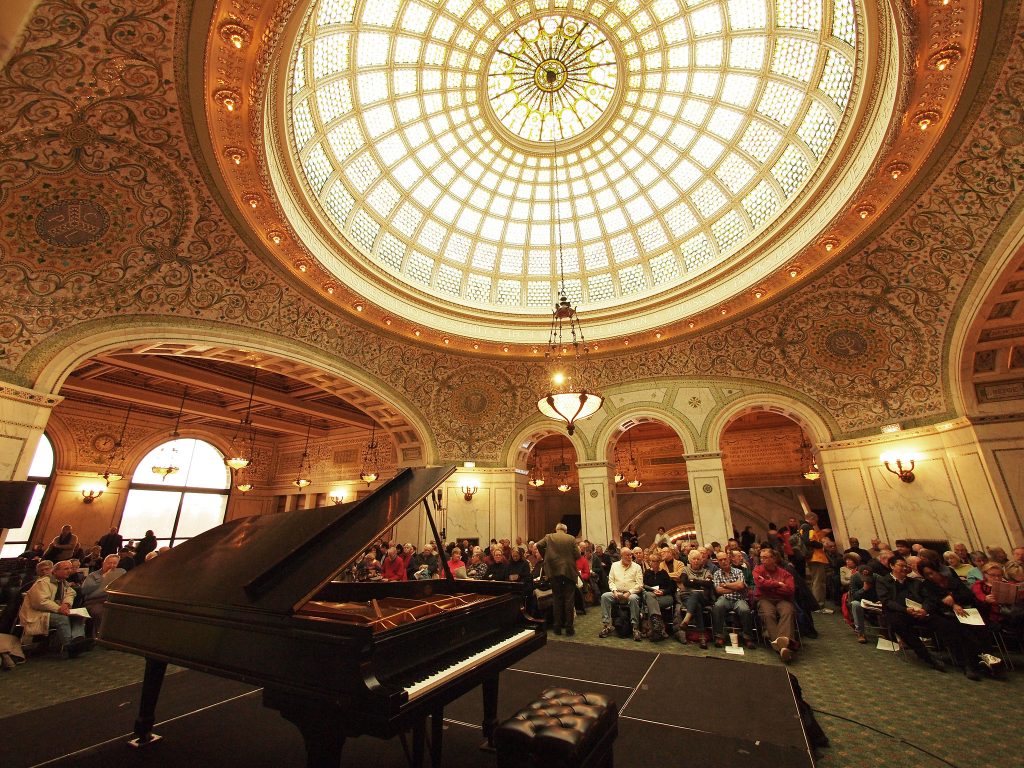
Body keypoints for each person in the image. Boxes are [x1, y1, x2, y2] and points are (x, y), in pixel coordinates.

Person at [917, 561, 998, 679]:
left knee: (979, 626)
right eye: (927, 575)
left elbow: (968, 595)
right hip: (942, 614)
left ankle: (984, 660)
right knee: (957, 628)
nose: (930, 576)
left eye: (932, 573)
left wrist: (953, 598)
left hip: (964, 611)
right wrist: (953, 605)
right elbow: (933, 602)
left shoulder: (952, 581)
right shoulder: (926, 585)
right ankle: (969, 664)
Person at [875, 556, 947, 673]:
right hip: (898, 614)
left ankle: (959, 658)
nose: (904, 568)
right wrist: (905, 610)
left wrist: (924, 609)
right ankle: (926, 656)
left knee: (943, 622)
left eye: (905, 566)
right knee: (900, 625)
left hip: (919, 612)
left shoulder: (915, 582)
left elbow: (927, 598)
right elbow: (887, 601)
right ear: (892, 566)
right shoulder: (883, 581)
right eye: (901, 566)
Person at [18, 560, 91, 657]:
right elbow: (41, 602)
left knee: (79, 616)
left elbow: (71, 593)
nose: (69, 571)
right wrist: (59, 609)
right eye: (66, 569)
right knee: (62, 619)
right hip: (36, 613)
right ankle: (69, 646)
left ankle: (78, 640)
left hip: (53, 611)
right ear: (55, 571)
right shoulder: (43, 582)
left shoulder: (62, 582)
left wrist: (66, 604)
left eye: (69, 568)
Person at [536, 523, 581, 637]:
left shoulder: (549, 537)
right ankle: (569, 628)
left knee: (557, 599)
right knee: (569, 600)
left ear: (556, 529)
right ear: (565, 530)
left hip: (554, 571)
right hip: (569, 572)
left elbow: (538, 545)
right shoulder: (571, 538)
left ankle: (557, 627)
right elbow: (577, 555)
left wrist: (547, 556)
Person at [753, 548, 797, 662]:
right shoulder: (758, 570)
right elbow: (760, 584)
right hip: (764, 599)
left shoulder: (784, 573)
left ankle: (780, 646)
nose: (762, 560)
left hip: (782, 600)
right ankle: (784, 647)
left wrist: (770, 586)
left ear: (773, 558)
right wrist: (778, 584)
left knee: (788, 611)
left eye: (765, 557)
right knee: (768, 614)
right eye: (761, 557)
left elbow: (790, 590)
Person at [711, 551, 755, 648]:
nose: (723, 561)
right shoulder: (716, 574)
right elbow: (719, 590)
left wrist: (725, 585)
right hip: (725, 598)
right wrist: (734, 587)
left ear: (729, 559)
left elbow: (741, 585)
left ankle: (747, 637)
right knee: (717, 607)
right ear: (718, 562)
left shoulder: (738, 571)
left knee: (745, 610)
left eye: (725, 559)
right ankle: (720, 636)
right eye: (720, 560)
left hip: (739, 598)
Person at [599, 548, 644, 642]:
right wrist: (614, 591)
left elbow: (639, 585)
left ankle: (635, 627)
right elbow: (611, 581)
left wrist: (629, 592)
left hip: (631, 593)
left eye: (631, 555)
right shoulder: (614, 565)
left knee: (633, 598)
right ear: (621, 556)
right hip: (617, 592)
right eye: (627, 555)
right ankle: (606, 625)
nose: (630, 557)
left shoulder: (637, 567)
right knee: (604, 596)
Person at [79, 554, 125, 636]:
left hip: (112, 600)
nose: (111, 566)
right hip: (94, 602)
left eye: (114, 563)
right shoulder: (93, 575)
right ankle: (99, 637)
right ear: (103, 563)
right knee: (100, 612)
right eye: (109, 563)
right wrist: (103, 578)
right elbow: (85, 590)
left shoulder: (121, 572)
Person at [677, 549, 713, 648]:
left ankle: (686, 619)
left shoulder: (706, 571)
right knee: (696, 605)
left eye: (698, 559)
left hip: (703, 597)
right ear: (689, 560)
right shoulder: (685, 569)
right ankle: (702, 637)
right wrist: (700, 583)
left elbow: (709, 584)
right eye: (694, 559)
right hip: (687, 597)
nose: (696, 561)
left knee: (696, 594)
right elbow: (685, 582)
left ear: (701, 560)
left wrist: (693, 580)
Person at [641, 550, 676, 640]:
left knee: (651, 604)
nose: (653, 563)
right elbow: (643, 586)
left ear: (659, 562)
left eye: (656, 561)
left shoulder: (664, 573)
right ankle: (659, 628)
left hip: (664, 597)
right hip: (651, 595)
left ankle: (653, 629)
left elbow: (671, 588)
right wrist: (652, 590)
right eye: (652, 561)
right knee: (649, 596)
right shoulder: (647, 573)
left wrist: (662, 592)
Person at [846, 565, 876, 643]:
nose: (866, 581)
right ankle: (860, 633)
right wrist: (864, 589)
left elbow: (881, 592)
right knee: (855, 604)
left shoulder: (877, 577)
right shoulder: (854, 577)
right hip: (860, 600)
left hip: (875, 601)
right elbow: (854, 596)